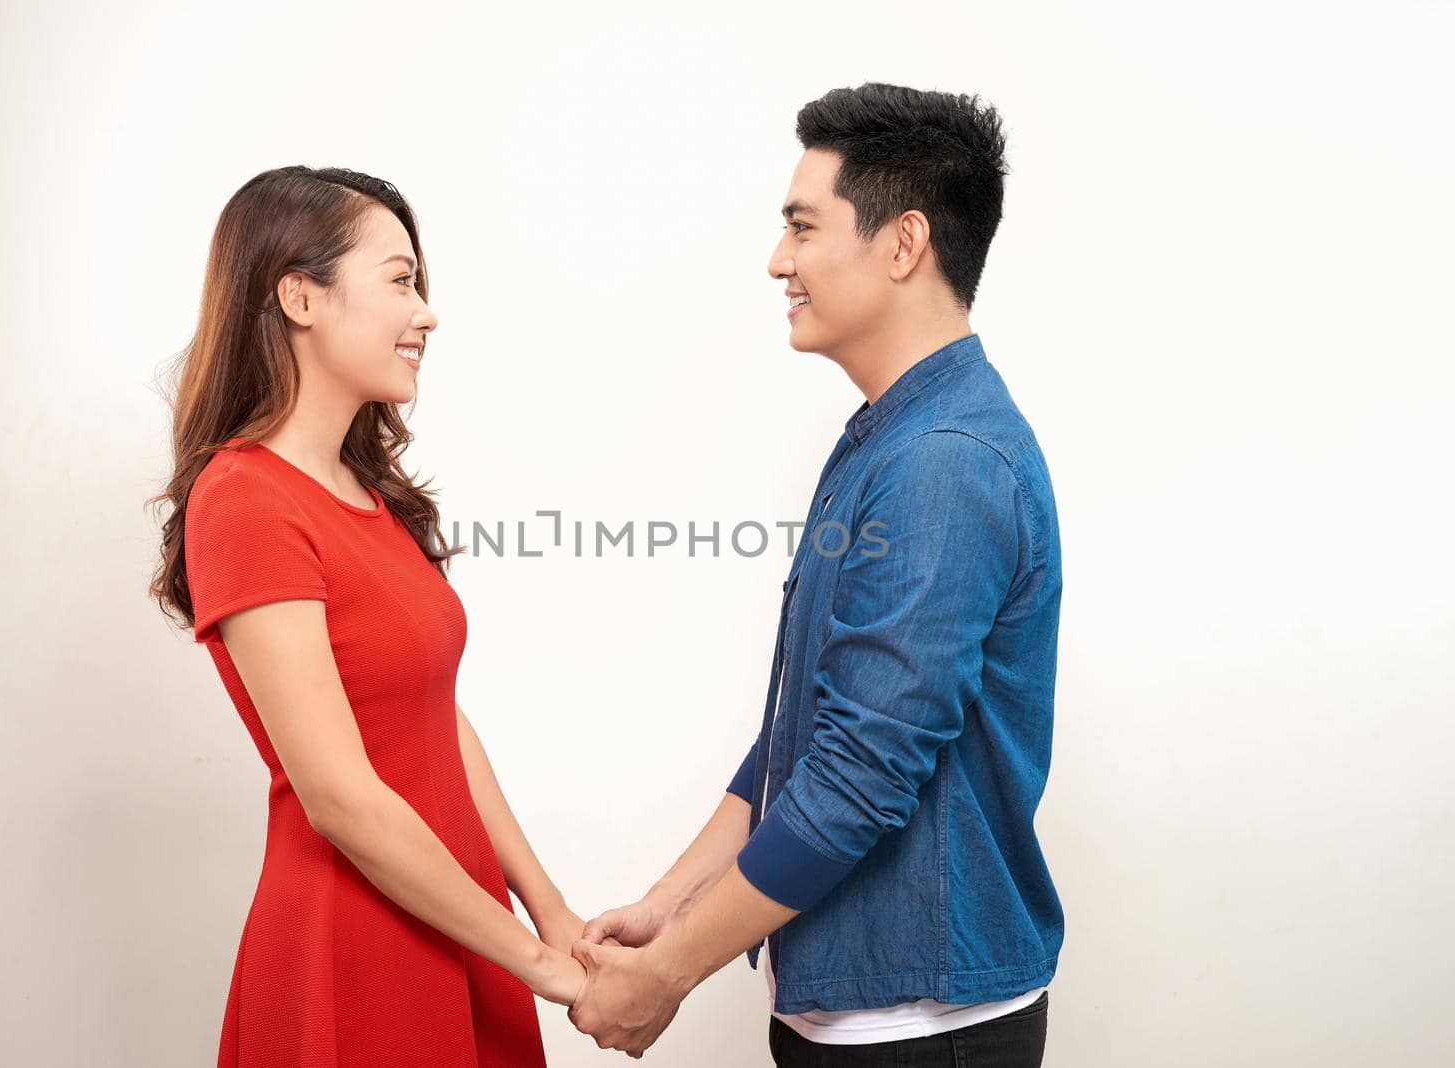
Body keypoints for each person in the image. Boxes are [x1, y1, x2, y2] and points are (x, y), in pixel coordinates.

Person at [569, 85, 1063, 1067]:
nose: (777, 261)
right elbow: (810, 733)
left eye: (801, 226)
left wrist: (666, 977)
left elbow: (858, 774)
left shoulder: (944, 460)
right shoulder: (889, 438)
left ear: (901, 242)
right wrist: (666, 912)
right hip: (854, 1010)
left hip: (920, 1028)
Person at [148, 166, 584, 1066]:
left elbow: (434, 718)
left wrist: (551, 914)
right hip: (358, 941)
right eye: (399, 280)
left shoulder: (370, 495)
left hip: (460, 919)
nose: (426, 312)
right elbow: (342, 800)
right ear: (299, 296)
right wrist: (546, 968)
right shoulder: (244, 499)